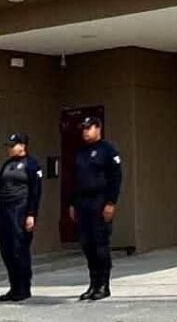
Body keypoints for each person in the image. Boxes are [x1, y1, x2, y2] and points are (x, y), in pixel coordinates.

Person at [69, 116, 122, 301]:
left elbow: (116, 178)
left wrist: (111, 203)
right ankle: (93, 284)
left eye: (88, 127)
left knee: (100, 245)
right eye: (83, 128)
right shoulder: (81, 152)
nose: (85, 131)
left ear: (98, 128)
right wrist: (73, 203)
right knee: (87, 244)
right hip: (82, 202)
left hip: (100, 201)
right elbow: (75, 180)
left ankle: (103, 285)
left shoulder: (108, 150)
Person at [0, 133, 42, 302]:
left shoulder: (31, 164)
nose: (9, 149)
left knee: (19, 250)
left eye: (12, 145)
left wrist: (31, 214)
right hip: (4, 212)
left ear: (22, 146)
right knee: (6, 251)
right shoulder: (7, 164)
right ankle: (13, 287)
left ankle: (23, 288)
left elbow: (36, 192)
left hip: (20, 211)